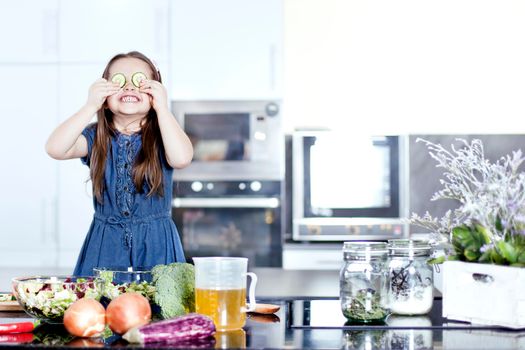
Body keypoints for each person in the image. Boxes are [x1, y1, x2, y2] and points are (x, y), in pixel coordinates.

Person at [45, 51, 193, 276]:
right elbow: (55, 148)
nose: (130, 87)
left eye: (140, 81)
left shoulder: (164, 134)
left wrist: (163, 108)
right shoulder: (95, 137)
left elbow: (181, 158)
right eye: (118, 81)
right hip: (106, 243)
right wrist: (89, 107)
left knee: (161, 308)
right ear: (104, 97)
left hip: (157, 244)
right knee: (98, 306)